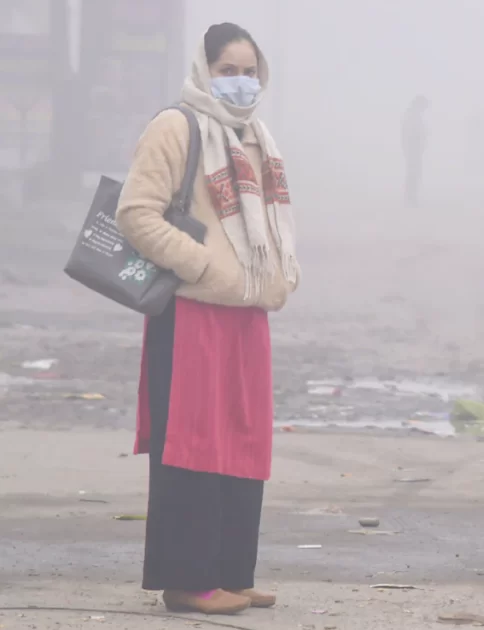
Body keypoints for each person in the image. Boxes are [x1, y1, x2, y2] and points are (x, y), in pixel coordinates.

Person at [115, 23, 299, 616]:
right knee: (193, 444)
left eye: (249, 71)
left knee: (243, 441)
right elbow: (136, 214)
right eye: (228, 71)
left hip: (246, 312)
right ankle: (187, 581)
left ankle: (229, 574)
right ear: (204, 70)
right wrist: (200, 267)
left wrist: (278, 275)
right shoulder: (176, 126)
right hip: (192, 311)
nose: (241, 83)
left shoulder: (255, 136)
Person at [402, 95, 429, 206]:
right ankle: (410, 198)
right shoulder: (412, 116)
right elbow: (411, 133)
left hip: (414, 150)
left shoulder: (412, 115)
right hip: (413, 150)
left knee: (414, 173)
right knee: (414, 173)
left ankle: (411, 197)